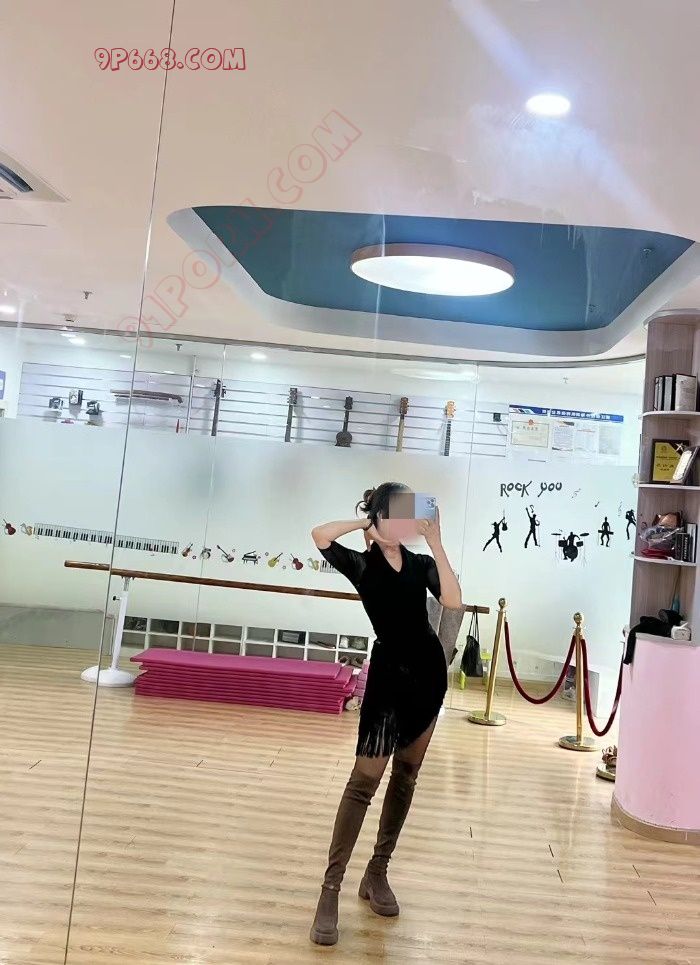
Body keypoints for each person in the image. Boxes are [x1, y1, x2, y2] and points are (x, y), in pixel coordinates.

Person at [309, 482, 462, 946]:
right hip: (388, 680)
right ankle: (330, 889)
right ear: (379, 516)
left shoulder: (421, 564)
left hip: (427, 676)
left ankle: (377, 872)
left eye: (406, 514)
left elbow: (453, 602)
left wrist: (437, 542)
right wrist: (367, 524)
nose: (403, 522)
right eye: (395, 513)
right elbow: (319, 535)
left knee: (406, 777)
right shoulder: (362, 564)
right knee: (363, 783)